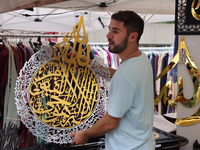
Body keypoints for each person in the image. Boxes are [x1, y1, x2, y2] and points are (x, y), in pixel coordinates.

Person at [69, 10, 155, 150]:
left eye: (115, 31)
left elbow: (110, 123)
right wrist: (88, 63)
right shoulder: (140, 59)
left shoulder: (126, 73)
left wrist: (85, 134)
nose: (108, 35)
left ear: (133, 36)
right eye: (109, 29)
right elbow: (118, 76)